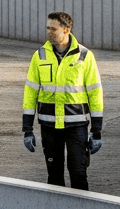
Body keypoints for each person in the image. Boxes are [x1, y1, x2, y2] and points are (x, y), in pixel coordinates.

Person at [21, 11, 103, 190]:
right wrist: (27, 129)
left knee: (78, 174)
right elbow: (30, 93)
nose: (49, 32)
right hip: (49, 126)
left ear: (67, 29)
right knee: (54, 176)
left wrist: (96, 131)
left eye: (53, 28)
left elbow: (95, 93)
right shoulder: (40, 56)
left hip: (77, 126)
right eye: (47, 28)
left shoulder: (84, 56)